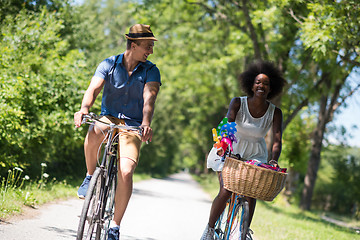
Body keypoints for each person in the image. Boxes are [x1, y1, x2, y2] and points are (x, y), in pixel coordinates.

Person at [74, 24, 161, 240]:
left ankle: (114, 226)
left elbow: (149, 98)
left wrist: (146, 122)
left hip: (133, 124)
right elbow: (93, 88)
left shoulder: (151, 70)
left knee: (126, 171)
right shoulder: (109, 64)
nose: (150, 51)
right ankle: (89, 175)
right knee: (96, 129)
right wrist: (84, 108)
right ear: (134, 44)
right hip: (109, 116)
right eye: (148, 46)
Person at [201, 60, 285, 240]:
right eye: (258, 82)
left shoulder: (275, 112)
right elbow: (227, 124)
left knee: (250, 193)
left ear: (271, 89)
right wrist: (225, 147)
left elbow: (277, 139)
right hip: (231, 149)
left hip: (256, 154)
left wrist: (274, 159)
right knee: (226, 190)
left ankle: (244, 232)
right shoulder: (238, 102)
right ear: (251, 85)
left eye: (266, 84)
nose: (261, 85)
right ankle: (208, 230)